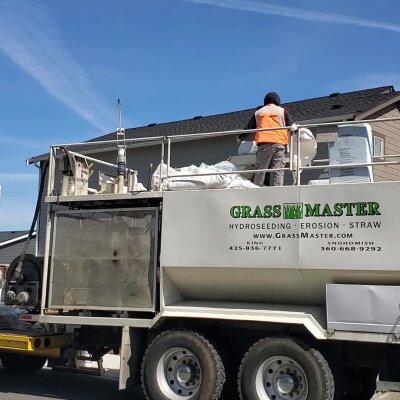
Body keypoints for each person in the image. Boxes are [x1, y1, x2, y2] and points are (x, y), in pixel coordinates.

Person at [238, 92, 294, 186]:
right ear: (277, 101)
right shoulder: (282, 111)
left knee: (261, 171)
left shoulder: (259, 112)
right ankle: (278, 190)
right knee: (278, 170)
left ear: (265, 101)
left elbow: (249, 127)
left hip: (264, 145)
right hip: (279, 144)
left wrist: (240, 137)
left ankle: (257, 190)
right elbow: (292, 126)